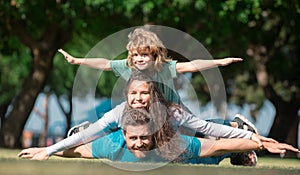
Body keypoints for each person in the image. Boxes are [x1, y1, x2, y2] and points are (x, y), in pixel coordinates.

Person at [18, 71, 275, 164]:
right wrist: (49, 150)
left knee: (206, 134)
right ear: (126, 94)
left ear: (153, 94)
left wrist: (251, 136)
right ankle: (238, 153)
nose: (139, 98)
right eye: (133, 93)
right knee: (103, 135)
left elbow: (210, 132)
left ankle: (235, 126)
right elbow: (89, 139)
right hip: (138, 138)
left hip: (180, 137)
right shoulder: (120, 114)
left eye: (144, 93)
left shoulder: (171, 112)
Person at [58, 26, 244, 128]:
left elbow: (191, 66)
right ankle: (87, 130)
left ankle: (235, 125)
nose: (139, 59)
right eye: (136, 55)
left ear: (154, 55)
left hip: (173, 109)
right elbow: (105, 63)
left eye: (144, 55)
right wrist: (77, 61)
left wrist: (219, 62)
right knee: (123, 123)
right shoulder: (127, 66)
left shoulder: (163, 67)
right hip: (147, 111)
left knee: (200, 130)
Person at [19, 107, 299, 164]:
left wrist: (260, 142)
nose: (139, 143)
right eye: (133, 138)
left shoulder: (173, 143)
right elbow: (78, 150)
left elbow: (215, 144)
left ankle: (236, 127)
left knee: (220, 152)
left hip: (199, 154)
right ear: (123, 134)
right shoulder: (112, 143)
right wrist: (49, 150)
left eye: (145, 138)